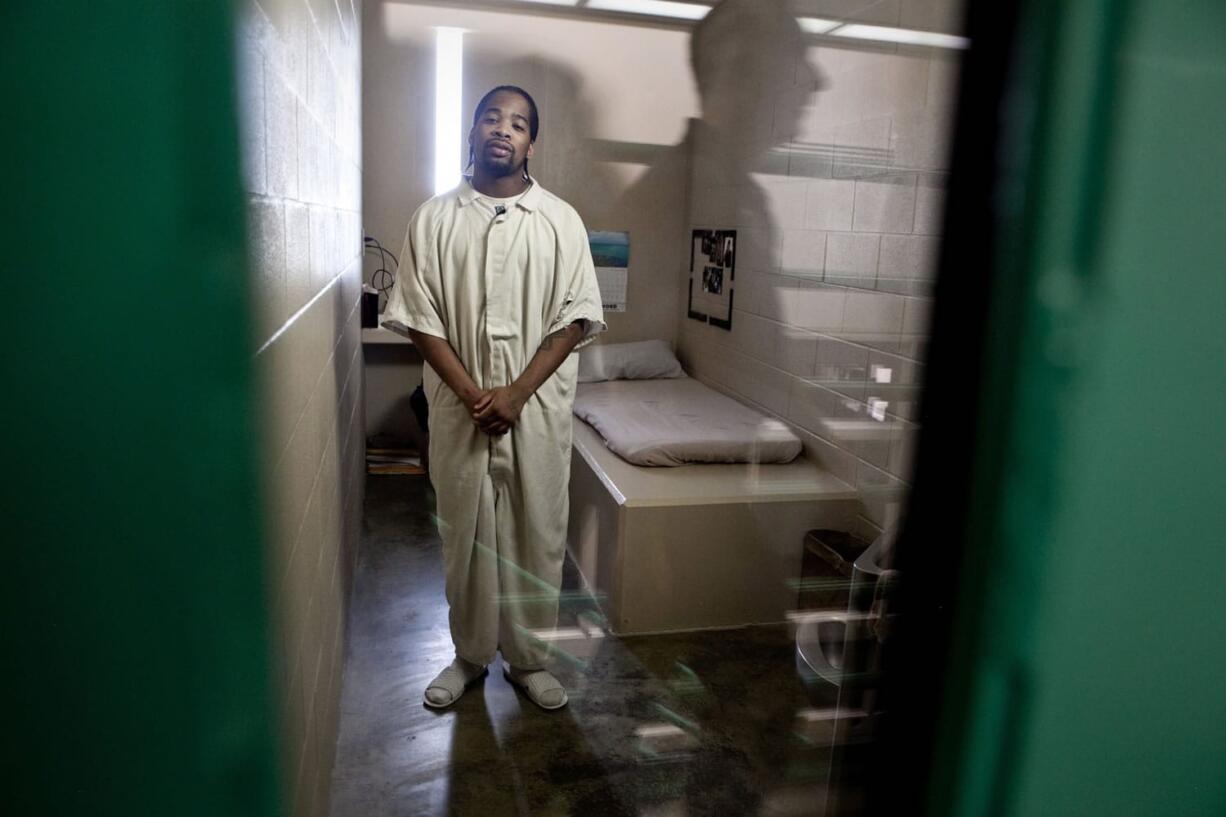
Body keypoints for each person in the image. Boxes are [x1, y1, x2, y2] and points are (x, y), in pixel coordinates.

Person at [382, 85, 606, 710]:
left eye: (519, 123)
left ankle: (530, 661)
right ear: (473, 130)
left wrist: (515, 394)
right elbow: (420, 317)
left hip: (534, 413)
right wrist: (474, 394)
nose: (503, 129)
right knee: (465, 533)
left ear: (532, 142)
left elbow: (576, 318)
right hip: (460, 413)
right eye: (492, 117)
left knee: (537, 531)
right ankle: (471, 656)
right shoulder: (434, 219)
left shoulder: (560, 220)